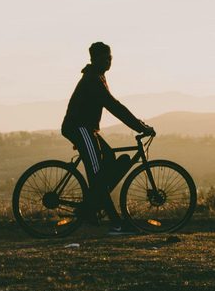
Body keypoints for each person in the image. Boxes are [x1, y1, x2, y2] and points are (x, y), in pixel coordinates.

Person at [61, 41, 154, 232]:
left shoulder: (98, 76)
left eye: (110, 57)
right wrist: (140, 127)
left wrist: (139, 125)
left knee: (110, 158)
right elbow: (114, 106)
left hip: (87, 130)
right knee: (97, 176)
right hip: (80, 129)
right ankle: (116, 222)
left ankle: (94, 203)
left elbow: (113, 105)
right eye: (106, 57)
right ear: (95, 59)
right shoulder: (93, 79)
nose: (109, 60)